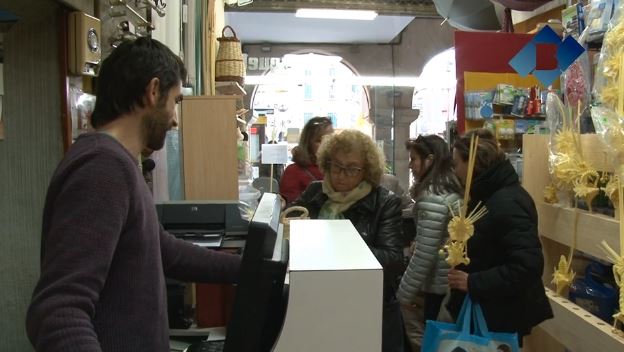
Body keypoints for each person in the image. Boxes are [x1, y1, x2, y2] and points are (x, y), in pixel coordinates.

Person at [25, 38, 241, 352]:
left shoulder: (117, 163)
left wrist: (253, 267)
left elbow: (164, 250)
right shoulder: (103, 168)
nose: (175, 118)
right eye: (175, 101)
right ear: (153, 92)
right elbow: (58, 311)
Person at [291, 130, 405, 352]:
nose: (341, 175)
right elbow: (290, 227)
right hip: (318, 304)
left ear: (367, 170)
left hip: (369, 310)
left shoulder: (385, 202)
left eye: (352, 168)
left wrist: (341, 242)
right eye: (337, 166)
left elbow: (392, 261)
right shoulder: (315, 193)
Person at [446, 128, 553, 344]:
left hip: (498, 318)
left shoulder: (506, 202)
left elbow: (528, 265)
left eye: (456, 163)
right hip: (488, 313)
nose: (454, 171)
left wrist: (474, 282)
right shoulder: (488, 196)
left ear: (472, 163)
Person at [396, 135, 462, 352]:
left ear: (430, 160)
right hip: (448, 282)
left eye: (414, 159)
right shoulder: (450, 189)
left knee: (433, 343)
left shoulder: (433, 197)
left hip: (438, 285)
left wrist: (403, 294)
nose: (410, 165)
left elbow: (425, 253)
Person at [279, 116, 333, 203]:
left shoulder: (338, 170)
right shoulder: (293, 171)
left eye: (330, 139)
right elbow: (291, 208)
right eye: (319, 140)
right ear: (308, 143)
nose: (326, 144)